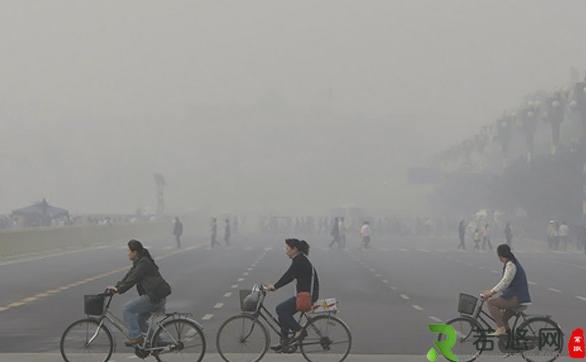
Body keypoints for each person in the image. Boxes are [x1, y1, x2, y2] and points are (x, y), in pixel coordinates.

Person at [107, 240, 172, 346]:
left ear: (135, 252)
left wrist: (119, 290)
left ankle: (136, 337)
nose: (127, 253)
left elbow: (133, 278)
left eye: (129, 251)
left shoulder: (143, 263)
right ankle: (157, 342)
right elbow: (129, 276)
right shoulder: (139, 262)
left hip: (154, 298)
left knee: (127, 309)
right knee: (140, 321)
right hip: (154, 297)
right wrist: (117, 287)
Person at [265, 239, 320, 353]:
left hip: (307, 296)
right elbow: (289, 275)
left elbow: (288, 276)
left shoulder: (299, 261)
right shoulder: (300, 259)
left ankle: (300, 331)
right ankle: (285, 343)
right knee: (283, 312)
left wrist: (274, 286)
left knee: (281, 309)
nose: (286, 252)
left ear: (294, 249)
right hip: (304, 294)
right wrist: (274, 286)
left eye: (287, 249)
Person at [481, 244, 531, 336]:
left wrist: (491, 292)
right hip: (516, 296)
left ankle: (500, 328)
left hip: (518, 297)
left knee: (491, 303)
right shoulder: (511, 263)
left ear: (500, 256)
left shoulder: (511, 265)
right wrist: (492, 292)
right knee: (503, 318)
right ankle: (509, 340)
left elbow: (505, 282)